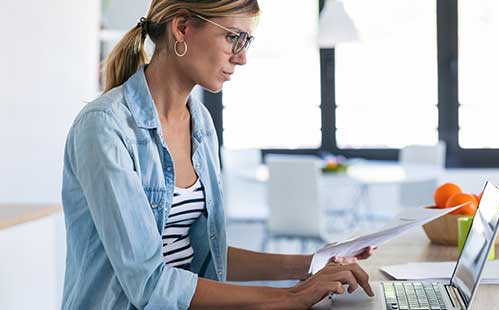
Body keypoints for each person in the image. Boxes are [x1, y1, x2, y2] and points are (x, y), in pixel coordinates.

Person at [61, 0, 375, 309]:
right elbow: (150, 282)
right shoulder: (105, 127)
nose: (242, 58)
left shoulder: (200, 123)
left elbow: (205, 254)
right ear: (182, 28)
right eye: (232, 37)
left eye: (246, 41)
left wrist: (313, 264)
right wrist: (289, 296)